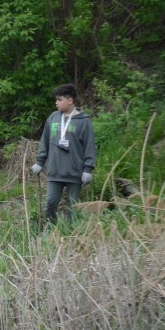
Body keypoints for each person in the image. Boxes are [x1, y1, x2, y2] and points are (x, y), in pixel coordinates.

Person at [30, 83, 96, 224]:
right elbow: (45, 141)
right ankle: (51, 231)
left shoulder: (84, 122)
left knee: (74, 207)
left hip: (75, 173)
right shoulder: (53, 118)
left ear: (70, 100)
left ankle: (71, 234)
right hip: (55, 172)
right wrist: (40, 162)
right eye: (56, 100)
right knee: (50, 204)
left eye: (59, 100)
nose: (56, 103)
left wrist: (88, 169)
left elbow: (89, 146)